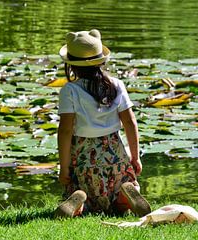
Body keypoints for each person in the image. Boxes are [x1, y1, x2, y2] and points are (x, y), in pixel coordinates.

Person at [55, 29, 151, 218]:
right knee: (119, 188)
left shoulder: (70, 90)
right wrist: (135, 156)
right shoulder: (116, 84)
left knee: (80, 187)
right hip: (114, 151)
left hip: (84, 154)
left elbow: (65, 131)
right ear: (101, 61)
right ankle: (125, 195)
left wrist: (64, 166)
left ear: (71, 66)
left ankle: (79, 200)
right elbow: (130, 123)